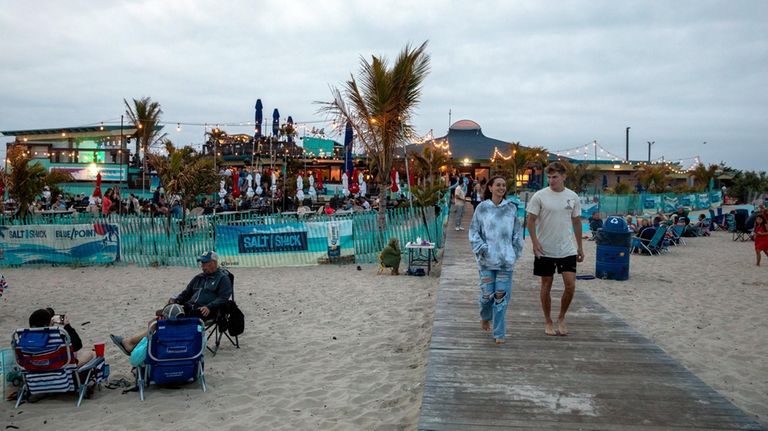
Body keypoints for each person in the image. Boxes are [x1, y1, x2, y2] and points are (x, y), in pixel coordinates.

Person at [526, 162, 583, 337]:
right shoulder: (539, 196)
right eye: (549, 177)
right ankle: (548, 320)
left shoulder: (572, 196)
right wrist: (534, 242)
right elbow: (530, 220)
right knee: (546, 285)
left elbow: (576, 222)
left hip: (567, 248)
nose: (551, 180)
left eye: (555, 177)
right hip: (545, 248)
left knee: (570, 285)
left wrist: (580, 246)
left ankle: (561, 317)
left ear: (564, 177)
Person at [468, 175, 524, 345]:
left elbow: (517, 233)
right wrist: (481, 248)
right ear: (490, 188)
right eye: (498, 185)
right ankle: (485, 317)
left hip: (505, 261)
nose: (501, 188)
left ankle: (499, 332)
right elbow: (473, 231)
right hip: (486, 260)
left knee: (501, 296)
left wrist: (514, 252)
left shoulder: (511, 208)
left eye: (503, 185)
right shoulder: (482, 208)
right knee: (487, 295)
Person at [109, 303, 186, 364]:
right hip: (185, 372)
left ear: (163, 319)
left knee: (147, 346)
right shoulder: (191, 335)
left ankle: (129, 343)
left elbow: (134, 360)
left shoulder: (159, 338)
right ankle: (129, 343)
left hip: (161, 372)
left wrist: (150, 331)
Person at [28, 307, 95, 365]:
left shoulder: (25, 343)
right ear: (48, 323)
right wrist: (67, 326)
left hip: (34, 377)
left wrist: (49, 327)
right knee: (91, 353)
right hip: (61, 375)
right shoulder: (57, 339)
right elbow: (78, 345)